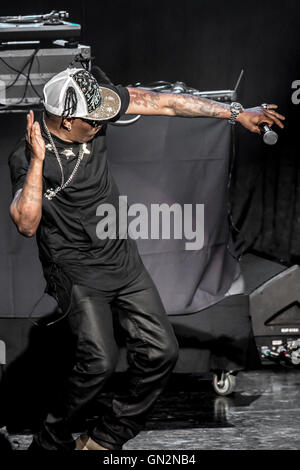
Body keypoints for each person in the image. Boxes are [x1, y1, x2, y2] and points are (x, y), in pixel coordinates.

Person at [8, 67, 285, 451]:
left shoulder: (94, 110)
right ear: (68, 120)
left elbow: (166, 103)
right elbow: (25, 223)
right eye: (94, 120)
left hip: (122, 260)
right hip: (75, 270)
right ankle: (50, 442)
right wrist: (38, 162)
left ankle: (105, 438)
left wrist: (236, 113)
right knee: (99, 362)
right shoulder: (27, 156)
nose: (104, 122)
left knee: (161, 353)